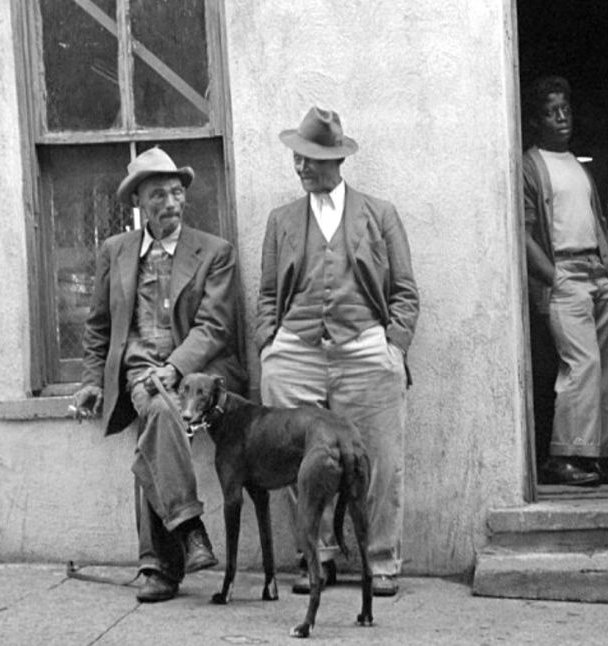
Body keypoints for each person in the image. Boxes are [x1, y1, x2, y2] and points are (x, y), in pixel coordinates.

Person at [255, 106, 419, 598]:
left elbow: (405, 290)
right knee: (291, 457)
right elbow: (267, 294)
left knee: (381, 456)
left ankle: (381, 559)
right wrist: (270, 345)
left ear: (336, 160)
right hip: (296, 350)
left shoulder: (378, 214)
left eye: (310, 159)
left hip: (365, 346)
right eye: (297, 158)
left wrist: (393, 346)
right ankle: (316, 556)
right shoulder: (281, 220)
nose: (301, 167)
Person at [71, 146, 247, 602]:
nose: (170, 204)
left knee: (160, 413)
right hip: (137, 367)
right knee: (157, 408)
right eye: (157, 197)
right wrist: (92, 380)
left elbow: (214, 326)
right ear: (138, 204)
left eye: (175, 193)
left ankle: (160, 564)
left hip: (192, 371)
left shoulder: (214, 252)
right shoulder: (115, 251)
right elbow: (99, 325)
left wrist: (174, 368)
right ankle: (188, 530)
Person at [523, 76, 608, 487]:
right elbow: (523, 232)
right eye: (551, 112)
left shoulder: (578, 164)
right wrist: (552, 275)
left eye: (565, 109)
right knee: (581, 365)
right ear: (536, 120)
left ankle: (596, 456)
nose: (562, 118)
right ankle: (563, 456)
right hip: (563, 273)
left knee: (606, 368)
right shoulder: (531, 165)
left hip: (596, 272)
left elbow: (595, 218)